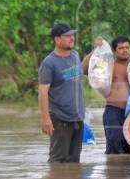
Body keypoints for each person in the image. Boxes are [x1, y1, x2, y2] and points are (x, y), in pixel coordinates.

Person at [38, 23, 86, 163]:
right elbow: (42, 93)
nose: (72, 38)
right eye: (67, 36)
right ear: (57, 39)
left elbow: (82, 70)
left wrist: (95, 53)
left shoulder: (75, 55)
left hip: (78, 118)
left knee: (74, 162)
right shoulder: (49, 63)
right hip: (60, 119)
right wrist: (46, 119)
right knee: (57, 161)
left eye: (72, 35)